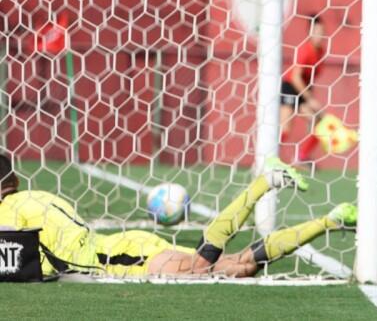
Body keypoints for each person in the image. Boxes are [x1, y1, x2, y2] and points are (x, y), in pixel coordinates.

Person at [0, 153, 356, 278]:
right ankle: (333, 219)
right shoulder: (37, 194)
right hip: (125, 247)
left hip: (118, 259)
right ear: (14, 179)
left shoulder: (8, 216)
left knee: (201, 267)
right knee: (241, 268)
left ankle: (266, 180)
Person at [280, 14, 327, 162]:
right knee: (285, 128)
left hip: (303, 91)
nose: (319, 36)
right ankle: (268, 156)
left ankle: (301, 157)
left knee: (320, 123)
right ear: (310, 33)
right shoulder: (306, 50)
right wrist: (310, 99)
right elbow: (295, 77)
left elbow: (309, 77)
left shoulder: (321, 51)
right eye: (316, 32)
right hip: (290, 87)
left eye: (321, 32)